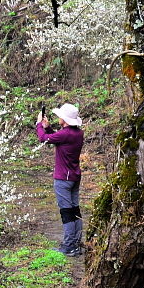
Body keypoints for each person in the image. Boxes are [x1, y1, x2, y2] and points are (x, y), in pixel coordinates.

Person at [35, 103, 84, 257]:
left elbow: (43, 139)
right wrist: (48, 128)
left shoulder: (66, 134)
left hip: (63, 178)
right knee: (75, 209)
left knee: (66, 212)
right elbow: (58, 139)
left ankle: (69, 245)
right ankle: (76, 243)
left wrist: (39, 125)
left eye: (61, 116)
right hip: (74, 176)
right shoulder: (77, 133)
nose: (59, 118)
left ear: (65, 119)